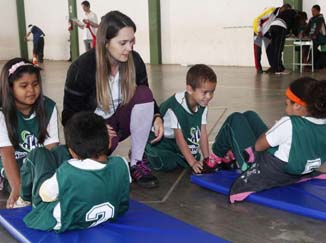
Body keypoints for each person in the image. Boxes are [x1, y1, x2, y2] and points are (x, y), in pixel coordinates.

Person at [62, 11, 164, 188]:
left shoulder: (135, 61)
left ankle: (137, 162)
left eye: (132, 41)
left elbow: (145, 97)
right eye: (123, 43)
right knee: (94, 172)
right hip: (95, 126)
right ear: (106, 42)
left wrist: (156, 115)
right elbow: (69, 117)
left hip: (120, 120)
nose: (130, 48)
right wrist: (97, 127)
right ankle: (91, 161)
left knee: (143, 93)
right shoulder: (82, 67)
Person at [20, 111, 130, 232]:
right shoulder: (122, 164)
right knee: (60, 151)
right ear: (109, 143)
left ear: (72, 152)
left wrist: (58, 179)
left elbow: (45, 195)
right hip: (104, 213)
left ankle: (24, 198)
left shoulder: (67, 171)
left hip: (61, 221)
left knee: (39, 154)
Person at [225, 77, 326, 203]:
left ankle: (216, 157)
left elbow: (258, 146)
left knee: (235, 119)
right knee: (250, 115)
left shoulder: (289, 123)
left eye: (287, 103)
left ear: (297, 106)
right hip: (299, 170)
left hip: (270, 171)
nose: (285, 106)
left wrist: (274, 128)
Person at [0, 58, 59, 208]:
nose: (31, 90)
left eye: (35, 84)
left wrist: (53, 179)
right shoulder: (2, 113)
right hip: (12, 164)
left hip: (37, 163)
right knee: (26, 194)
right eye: (23, 86)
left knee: (62, 155)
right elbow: (6, 152)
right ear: (10, 87)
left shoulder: (49, 107)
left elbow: (52, 148)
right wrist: (16, 189)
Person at [144, 64, 217, 174]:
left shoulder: (203, 104)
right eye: (205, 92)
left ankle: (179, 156)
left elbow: (203, 132)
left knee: (195, 155)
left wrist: (207, 160)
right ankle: (146, 152)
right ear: (190, 89)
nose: (209, 96)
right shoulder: (176, 106)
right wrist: (192, 162)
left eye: (212, 91)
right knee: (168, 163)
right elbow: (179, 139)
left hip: (173, 140)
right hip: (159, 140)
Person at [252, 4, 292, 74]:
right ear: (282, 8)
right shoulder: (271, 10)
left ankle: (273, 67)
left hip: (268, 34)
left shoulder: (281, 16)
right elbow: (257, 19)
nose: (285, 13)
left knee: (270, 51)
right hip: (258, 31)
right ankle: (258, 68)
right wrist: (258, 30)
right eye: (285, 11)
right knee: (257, 51)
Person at [269, 9, 302, 74]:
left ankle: (278, 67)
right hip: (280, 27)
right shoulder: (296, 15)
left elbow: (288, 24)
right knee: (279, 49)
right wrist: (297, 34)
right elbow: (294, 27)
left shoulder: (286, 12)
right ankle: (278, 69)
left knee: (275, 48)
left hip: (272, 26)